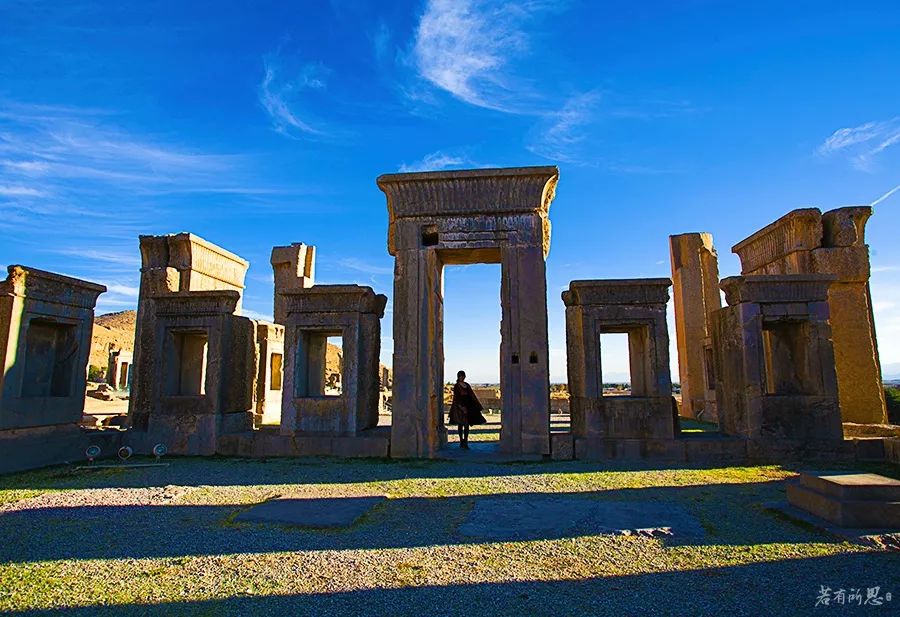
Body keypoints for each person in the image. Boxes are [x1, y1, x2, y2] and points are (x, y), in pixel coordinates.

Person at [448, 370, 486, 449]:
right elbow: (457, 397)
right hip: (460, 407)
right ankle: (461, 441)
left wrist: (475, 406)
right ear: (458, 376)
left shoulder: (467, 385)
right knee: (461, 424)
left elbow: (471, 395)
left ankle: (465, 441)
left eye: (463, 375)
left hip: (467, 406)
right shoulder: (456, 386)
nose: (462, 377)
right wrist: (461, 407)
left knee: (466, 425)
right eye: (461, 376)